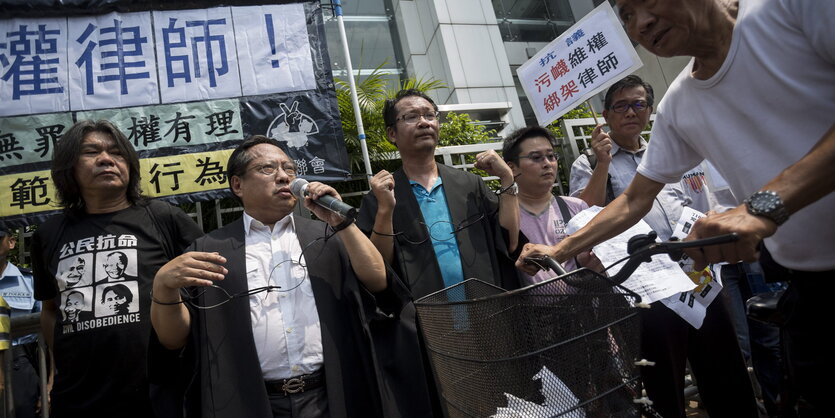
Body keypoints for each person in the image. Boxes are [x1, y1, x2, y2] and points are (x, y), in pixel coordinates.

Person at [518, 0, 835, 413]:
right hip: (805, 281)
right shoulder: (680, 103)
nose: (641, 23)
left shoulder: (787, 10)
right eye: (626, 15)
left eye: (646, 3)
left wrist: (760, 207)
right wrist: (560, 249)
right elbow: (634, 198)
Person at [149, 136, 414, 418]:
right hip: (249, 400)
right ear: (237, 185)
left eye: (289, 169)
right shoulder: (211, 250)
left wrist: (342, 223)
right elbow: (174, 340)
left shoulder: (327, 235)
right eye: (267, 169)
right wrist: (163, 287)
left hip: (331, 396)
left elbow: (380, 283)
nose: (283, 177)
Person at [564, 76, 757, 417]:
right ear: (606, 115)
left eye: (639, 104)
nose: (630, 112)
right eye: (621, 105)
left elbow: (702, 203)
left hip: (697, 276)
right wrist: (603, 162)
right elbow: (586, 213)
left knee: (723, 364)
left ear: (650, 111)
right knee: (661, 379)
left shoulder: (669, 152)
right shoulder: (589, 162)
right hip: (644, 288)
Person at [31, 119, 204, 418]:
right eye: (91, 152)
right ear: (68, 167)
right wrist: (56, 371)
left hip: (160, 396)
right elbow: (49, 309)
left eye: (116, 152)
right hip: (77, 400)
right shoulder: (48, 235)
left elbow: (206, 292)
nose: (106, 159)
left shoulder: (164, 219)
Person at [357, 88, 523, 299]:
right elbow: (377, 270)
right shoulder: (380, 197)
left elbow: (509, 241)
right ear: (392, 134)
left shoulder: (470, 184)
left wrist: (507, 178)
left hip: (485, 312)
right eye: (411, 117)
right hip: (426, 321)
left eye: (429, 115)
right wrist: (385, 210)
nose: (424, 122)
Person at [501, 126, 594, 284]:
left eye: (551, 156)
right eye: (536, 157)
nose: (547, 164)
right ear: (512, 168)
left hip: (583, 304)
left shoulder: (577, 207)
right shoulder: (504, 214)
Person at [0, 228, 41, 418]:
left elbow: (46, 334)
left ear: (11, 242)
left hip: (20, 363)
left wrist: (49, 385)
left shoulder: (29, 282)